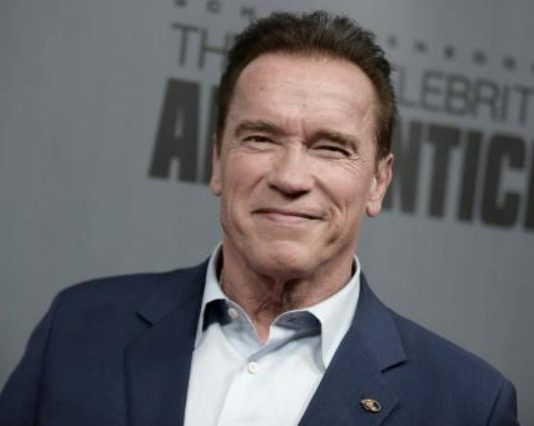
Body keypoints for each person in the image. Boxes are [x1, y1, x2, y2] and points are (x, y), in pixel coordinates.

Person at [0, 10, 519, 426]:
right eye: (261, 138)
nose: (290, 177)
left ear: (379, 181)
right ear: (217, 160)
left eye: (331, 147)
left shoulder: (468, 405)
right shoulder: (79, 328)